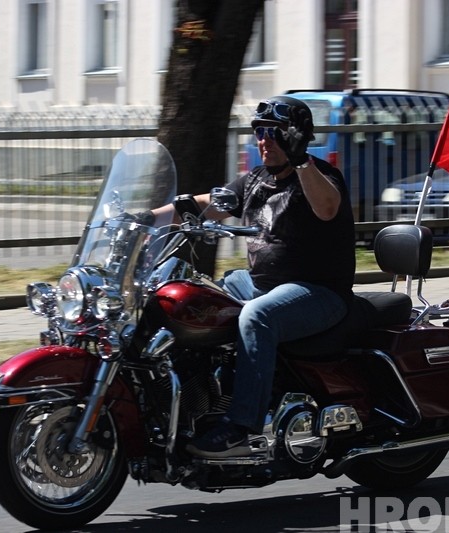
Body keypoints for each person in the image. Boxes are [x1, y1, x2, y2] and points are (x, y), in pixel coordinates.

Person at [153, 95, 356, 458]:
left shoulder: (320, 177)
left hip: (318, 292)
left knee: (256, 316)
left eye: (273, 133)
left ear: (296, 136)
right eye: (259, 132)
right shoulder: (256, 180)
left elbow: (326, 208)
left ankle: (240, 427)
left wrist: (301, 160)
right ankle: (195, 400)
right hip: (259, 283)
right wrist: (143, 219)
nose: (264, 140)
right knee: (191, 298)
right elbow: (206, 204)